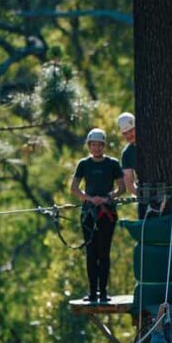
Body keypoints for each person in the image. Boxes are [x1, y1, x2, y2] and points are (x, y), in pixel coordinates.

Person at [70, 128, 125, 303]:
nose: (96, 148)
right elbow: (74, 188)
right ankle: (92, 293)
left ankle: (103, 292)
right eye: (93, 145)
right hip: (89, 213)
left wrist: (108, 198)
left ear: (103, 146)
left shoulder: (113, 164)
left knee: (104, 253)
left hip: (107, 212)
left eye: (99, 145)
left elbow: (122, 187)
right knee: (91, 253)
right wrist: (89, 199)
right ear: (89, 146)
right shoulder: (83, 164)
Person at [117, 112, 148, 219]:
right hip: (145, 192)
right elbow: (129, 184)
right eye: (125, 133)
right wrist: (143, 196)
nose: (129, 135)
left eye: (131, 130)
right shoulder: (127, 154)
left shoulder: (152, 141)